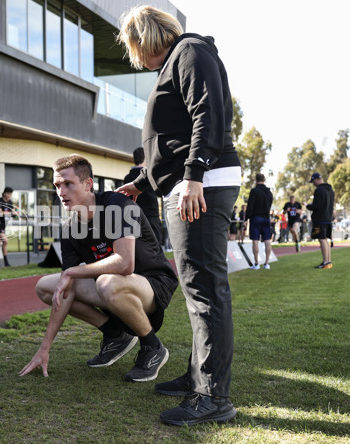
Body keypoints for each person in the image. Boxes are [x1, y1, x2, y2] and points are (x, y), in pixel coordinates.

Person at [116, 6, 241, 426]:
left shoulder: (190, 52)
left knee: (205, 287)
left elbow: (209, 113)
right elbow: (169, 141)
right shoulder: (177, 60)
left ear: (143, 37)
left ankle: (212, 396)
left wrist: (193, 176)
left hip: (203, 183)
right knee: (197, 289)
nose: (137, 59)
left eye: (135, 49)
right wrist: (142, 182)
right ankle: (197, 377)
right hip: (188, 182)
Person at [19, 154, 178, 384]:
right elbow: (65, 288)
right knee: (45, 286)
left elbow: (125, 263)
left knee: (107, 282)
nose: (61, 192)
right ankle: (116, 335)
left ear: (88, 184)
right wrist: (45, 348)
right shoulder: (70, 226)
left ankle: (152, 348)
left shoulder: (118, 204)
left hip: (152, 283)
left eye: (68, 184)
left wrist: (72, 272)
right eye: (57, 186)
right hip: (115, 286)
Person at [124, 147, 163, 245]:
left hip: (134, 218)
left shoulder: (128, 178)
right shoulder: (150, 176)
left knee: (138, 250)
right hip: (151, 217)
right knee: (155, 247)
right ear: (145, 158)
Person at [306, 172, 335, 268]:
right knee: (325, 240)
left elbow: (316, 206)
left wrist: (308, 205)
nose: (313, 183)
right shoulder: (330, 190)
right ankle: (328, 261)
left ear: (317, 179)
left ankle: (326, 262)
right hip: (328, 218)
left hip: (320, 219)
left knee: (322, 240)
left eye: (313, 181)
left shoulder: (319, 190)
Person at [245, 174, 273, 270]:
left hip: (256, 218)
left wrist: (246, 218)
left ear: (256, 180)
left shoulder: (254, 191)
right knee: (267, 241)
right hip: (266, 218)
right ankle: (267, 263)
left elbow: (250, 206)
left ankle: (256, 264)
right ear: (264, 180)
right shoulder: (269, 192)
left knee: (255, 241)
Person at [0, 187, 16, 268]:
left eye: (10, 194)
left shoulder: (10, 202)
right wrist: (9, 213)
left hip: (3, 225)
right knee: (5, 241)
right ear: (4, 193)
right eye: (7, 193)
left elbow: (13, 212)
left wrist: (14, 213)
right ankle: (6, 262)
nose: (8, 195)